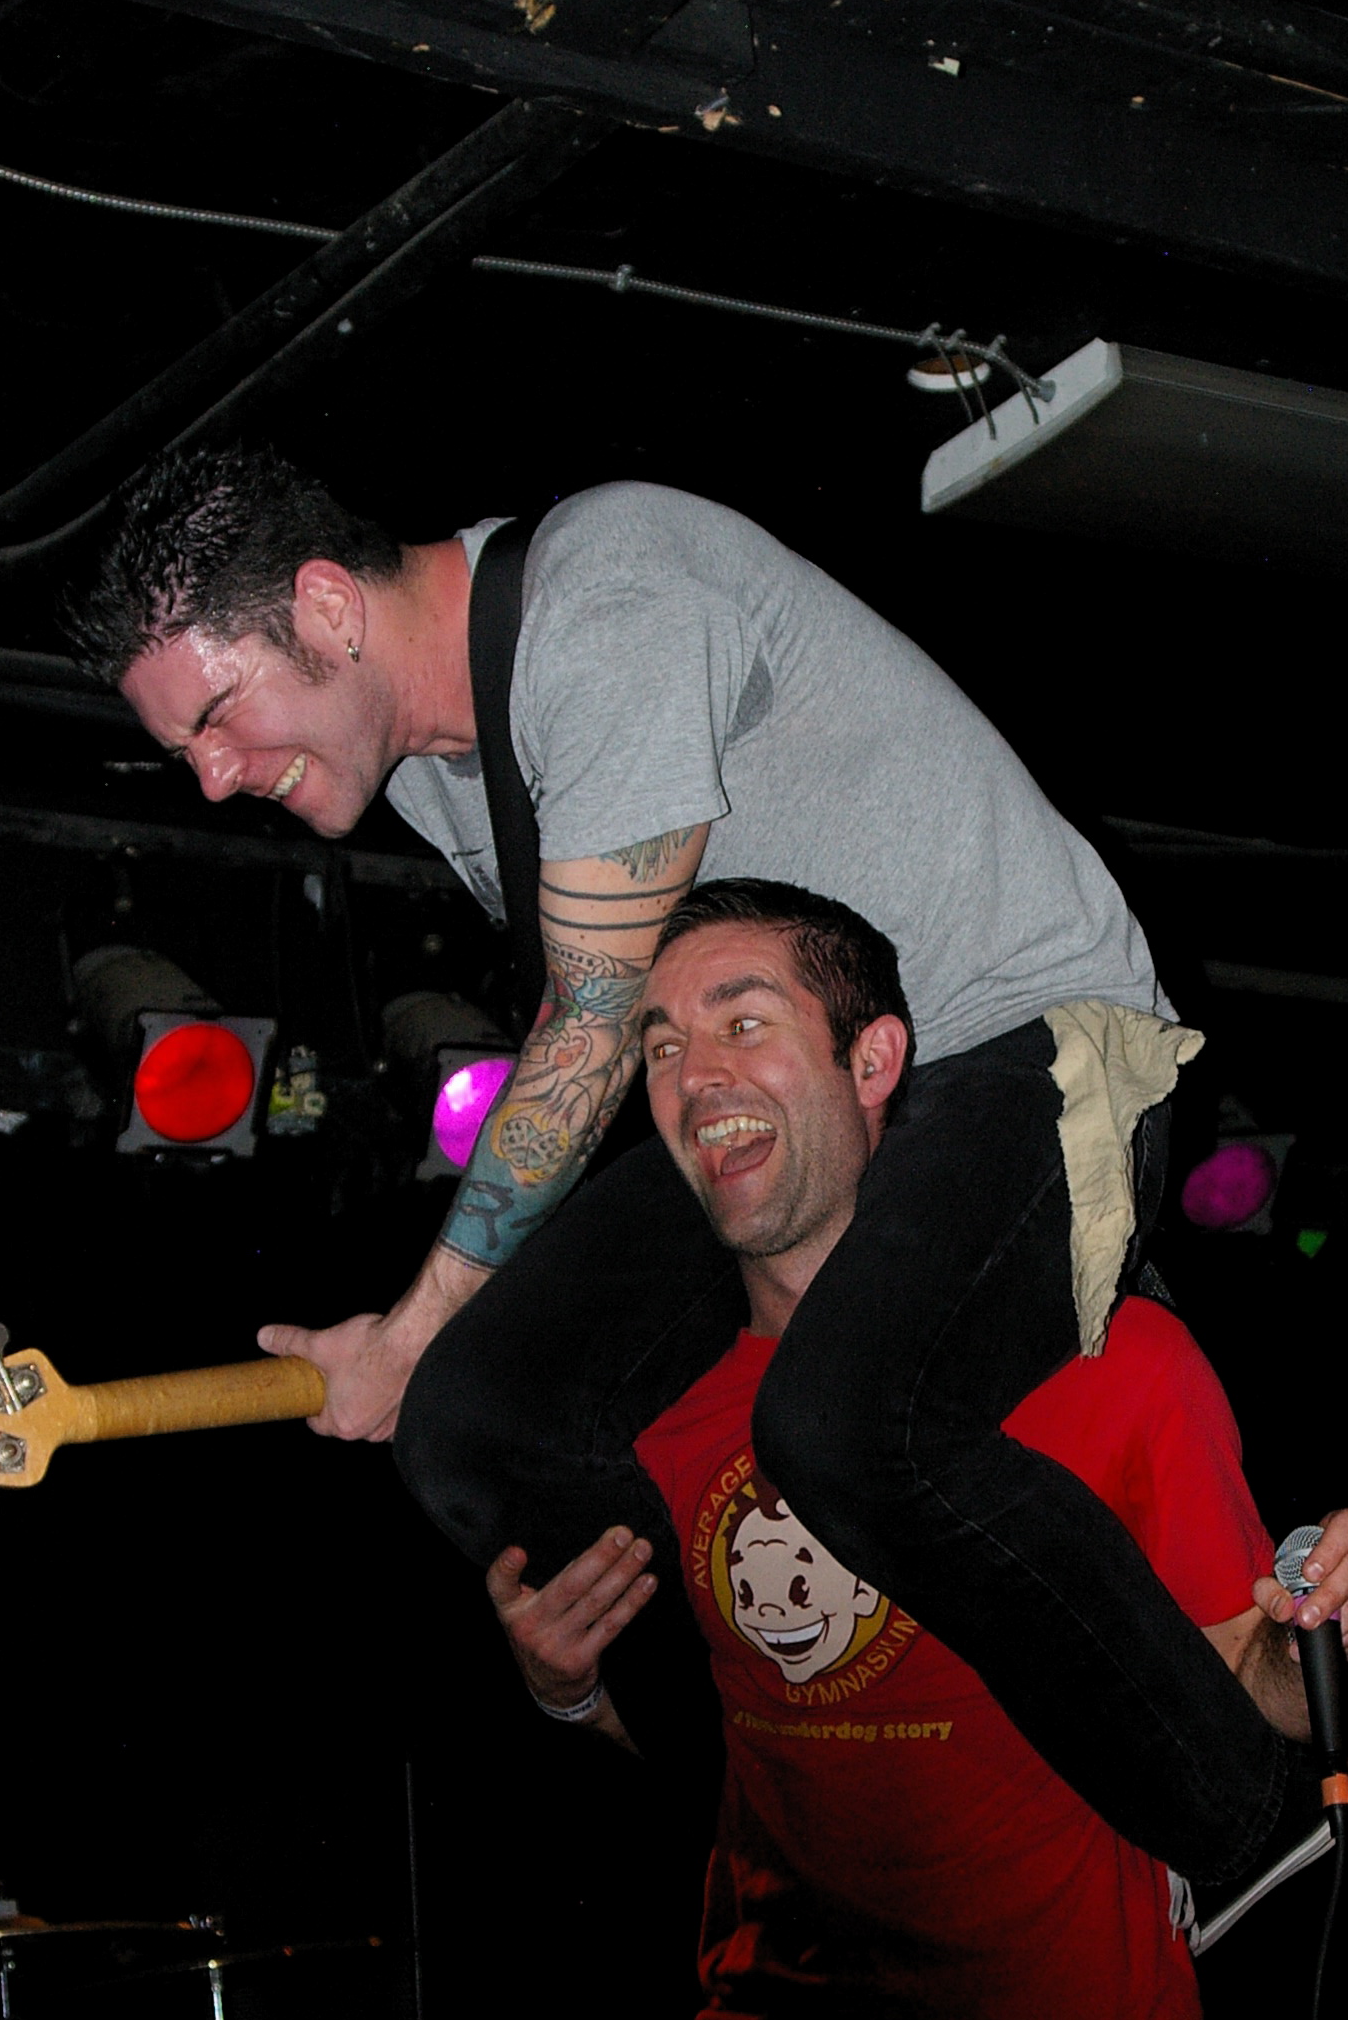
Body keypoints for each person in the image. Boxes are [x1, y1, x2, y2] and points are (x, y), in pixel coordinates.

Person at [74, 446, 1285, 1865]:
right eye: (183, 753)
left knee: (843, 1424)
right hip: (789, 1086)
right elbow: (613, 1036)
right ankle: (790, 1822)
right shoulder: (441, 782)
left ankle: (1241, 1817)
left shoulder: (609, 592)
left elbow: (587, 1029)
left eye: (217, 716)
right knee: (476, 1418)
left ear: (330, 609)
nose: (215, 779)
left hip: (1012, 1045)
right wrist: (430, 1350)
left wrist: (407, 1323)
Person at [486, 878, 1348, 2020]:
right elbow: (724, 1736)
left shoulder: (1118, 1363)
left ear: (872, 1061)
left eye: (743, 1021)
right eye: (660, 1045)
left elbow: (1249, 1693)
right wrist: (568, 1687)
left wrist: (1316, 1636)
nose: (694, 1074)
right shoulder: (656, 1415)